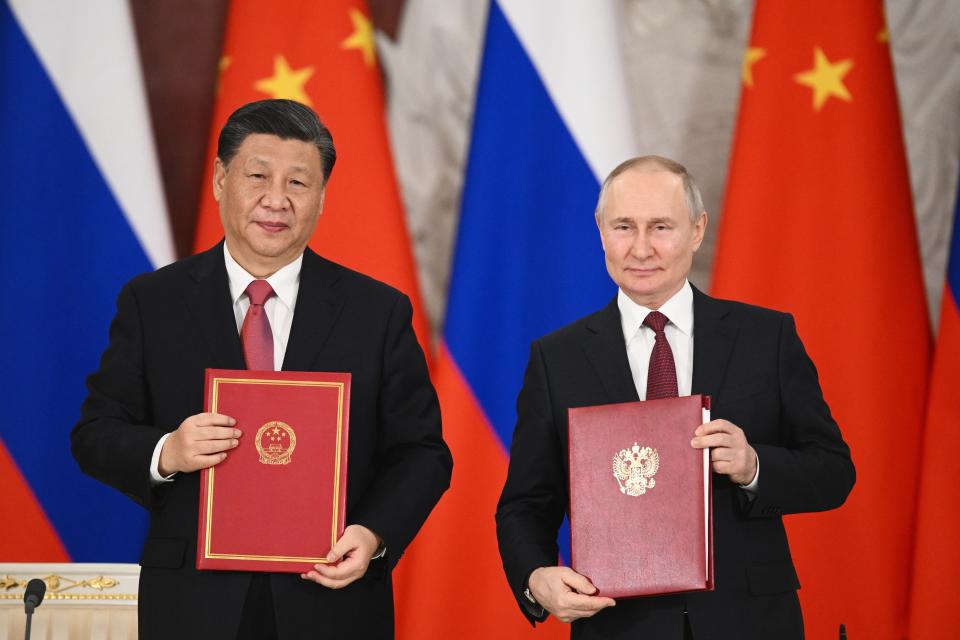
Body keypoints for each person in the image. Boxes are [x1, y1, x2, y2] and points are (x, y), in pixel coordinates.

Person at [72, 99, 452, 640]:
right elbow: (94, 434)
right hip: (192, 602)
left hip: (331, 601)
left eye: (299, 183)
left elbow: (422, 452)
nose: (277, 200)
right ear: (222, 180)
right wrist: (167, 452)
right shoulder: (153, 302)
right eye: (257, 176)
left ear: (321, 198)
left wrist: (372, 535)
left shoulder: (377, 312)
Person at [495, 156, 854, 639]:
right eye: (624, 226)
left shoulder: (765, 337)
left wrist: (753, 467)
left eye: (661, 226)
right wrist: (537, 578)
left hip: (750, 621)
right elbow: (524, 504)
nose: (641, 248)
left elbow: (834, 471)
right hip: (617, 624)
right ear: (601, 231)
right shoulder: (556, 359)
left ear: (697, 231)